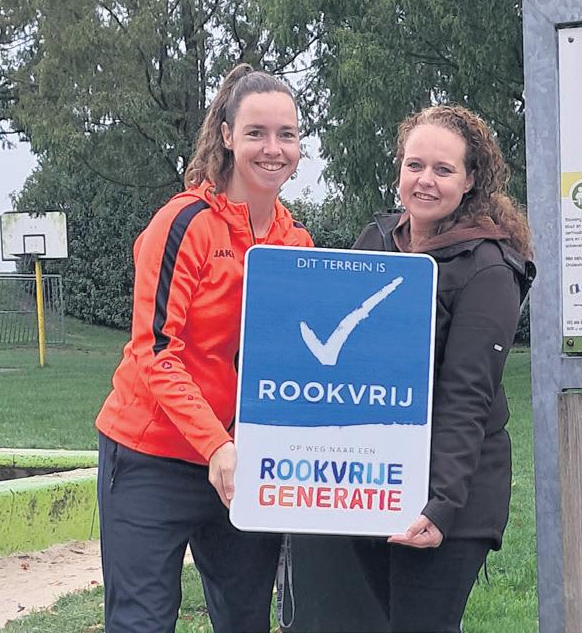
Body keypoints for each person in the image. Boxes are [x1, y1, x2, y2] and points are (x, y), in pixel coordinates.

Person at [280, 104, 534, 633]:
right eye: (415, 165)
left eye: (443, 169)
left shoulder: (489, 268)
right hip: (373, 485)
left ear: (470, 180)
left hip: (452, 497)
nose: (425, 180)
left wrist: (441, 505)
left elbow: (468, 396)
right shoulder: (376, 241)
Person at [95, 63, 314, 633]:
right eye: (256, 133)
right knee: (142, 622)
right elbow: (155, 351)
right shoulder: (184, 222)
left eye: (286, 135)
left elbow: (294, 361)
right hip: (151, 456)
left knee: (245, 621)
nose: (273, 149)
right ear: (226, 135)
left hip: (244, 461)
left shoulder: (297, 242)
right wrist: (215, 443)